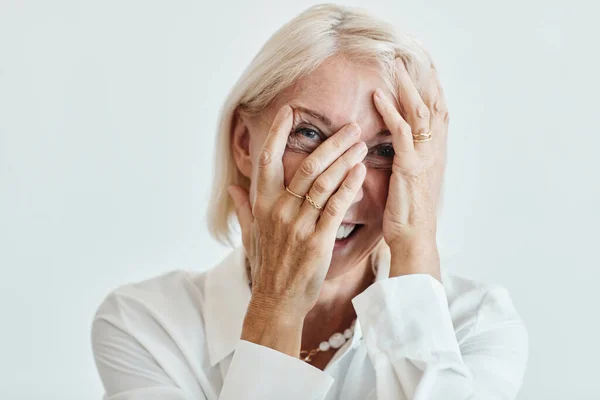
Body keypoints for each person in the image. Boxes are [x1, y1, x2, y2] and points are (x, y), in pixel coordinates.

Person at [91, 3, 528, 399]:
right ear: (244, 142)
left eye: (384, 150)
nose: (347, 189)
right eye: (310, 135)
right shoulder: (147, 325)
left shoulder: (475, 324)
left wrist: (416, 247)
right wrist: (275, 306)